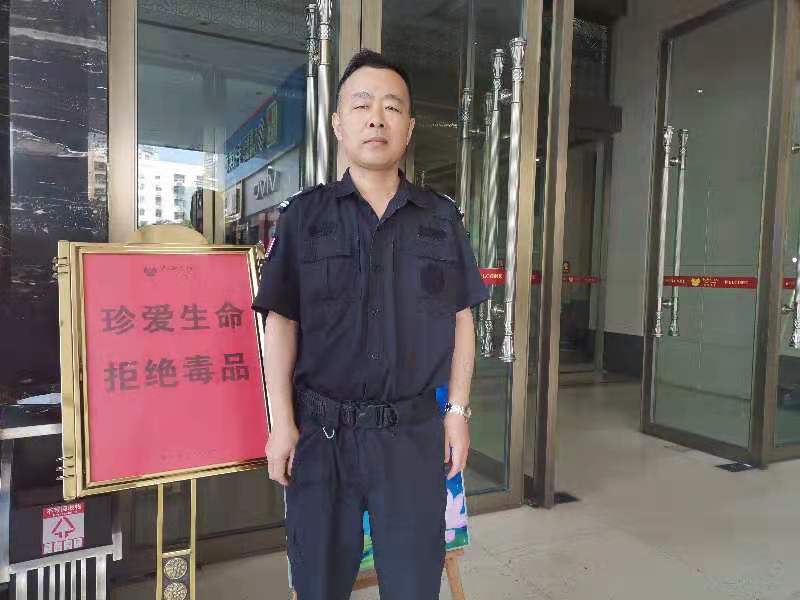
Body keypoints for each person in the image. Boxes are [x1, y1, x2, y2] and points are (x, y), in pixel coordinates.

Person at [252, 48, 489, 600]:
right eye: (361, 106)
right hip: (322, 436)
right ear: (339, 124)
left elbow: (461, 318)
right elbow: (280, 324)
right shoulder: (303, 216)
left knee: (413, 586)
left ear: (409, 127)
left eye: (391, 107)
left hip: (411, 437)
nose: (376, 119)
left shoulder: (441, 218)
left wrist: (457, 411)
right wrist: (282, 423)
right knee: (318, 585)